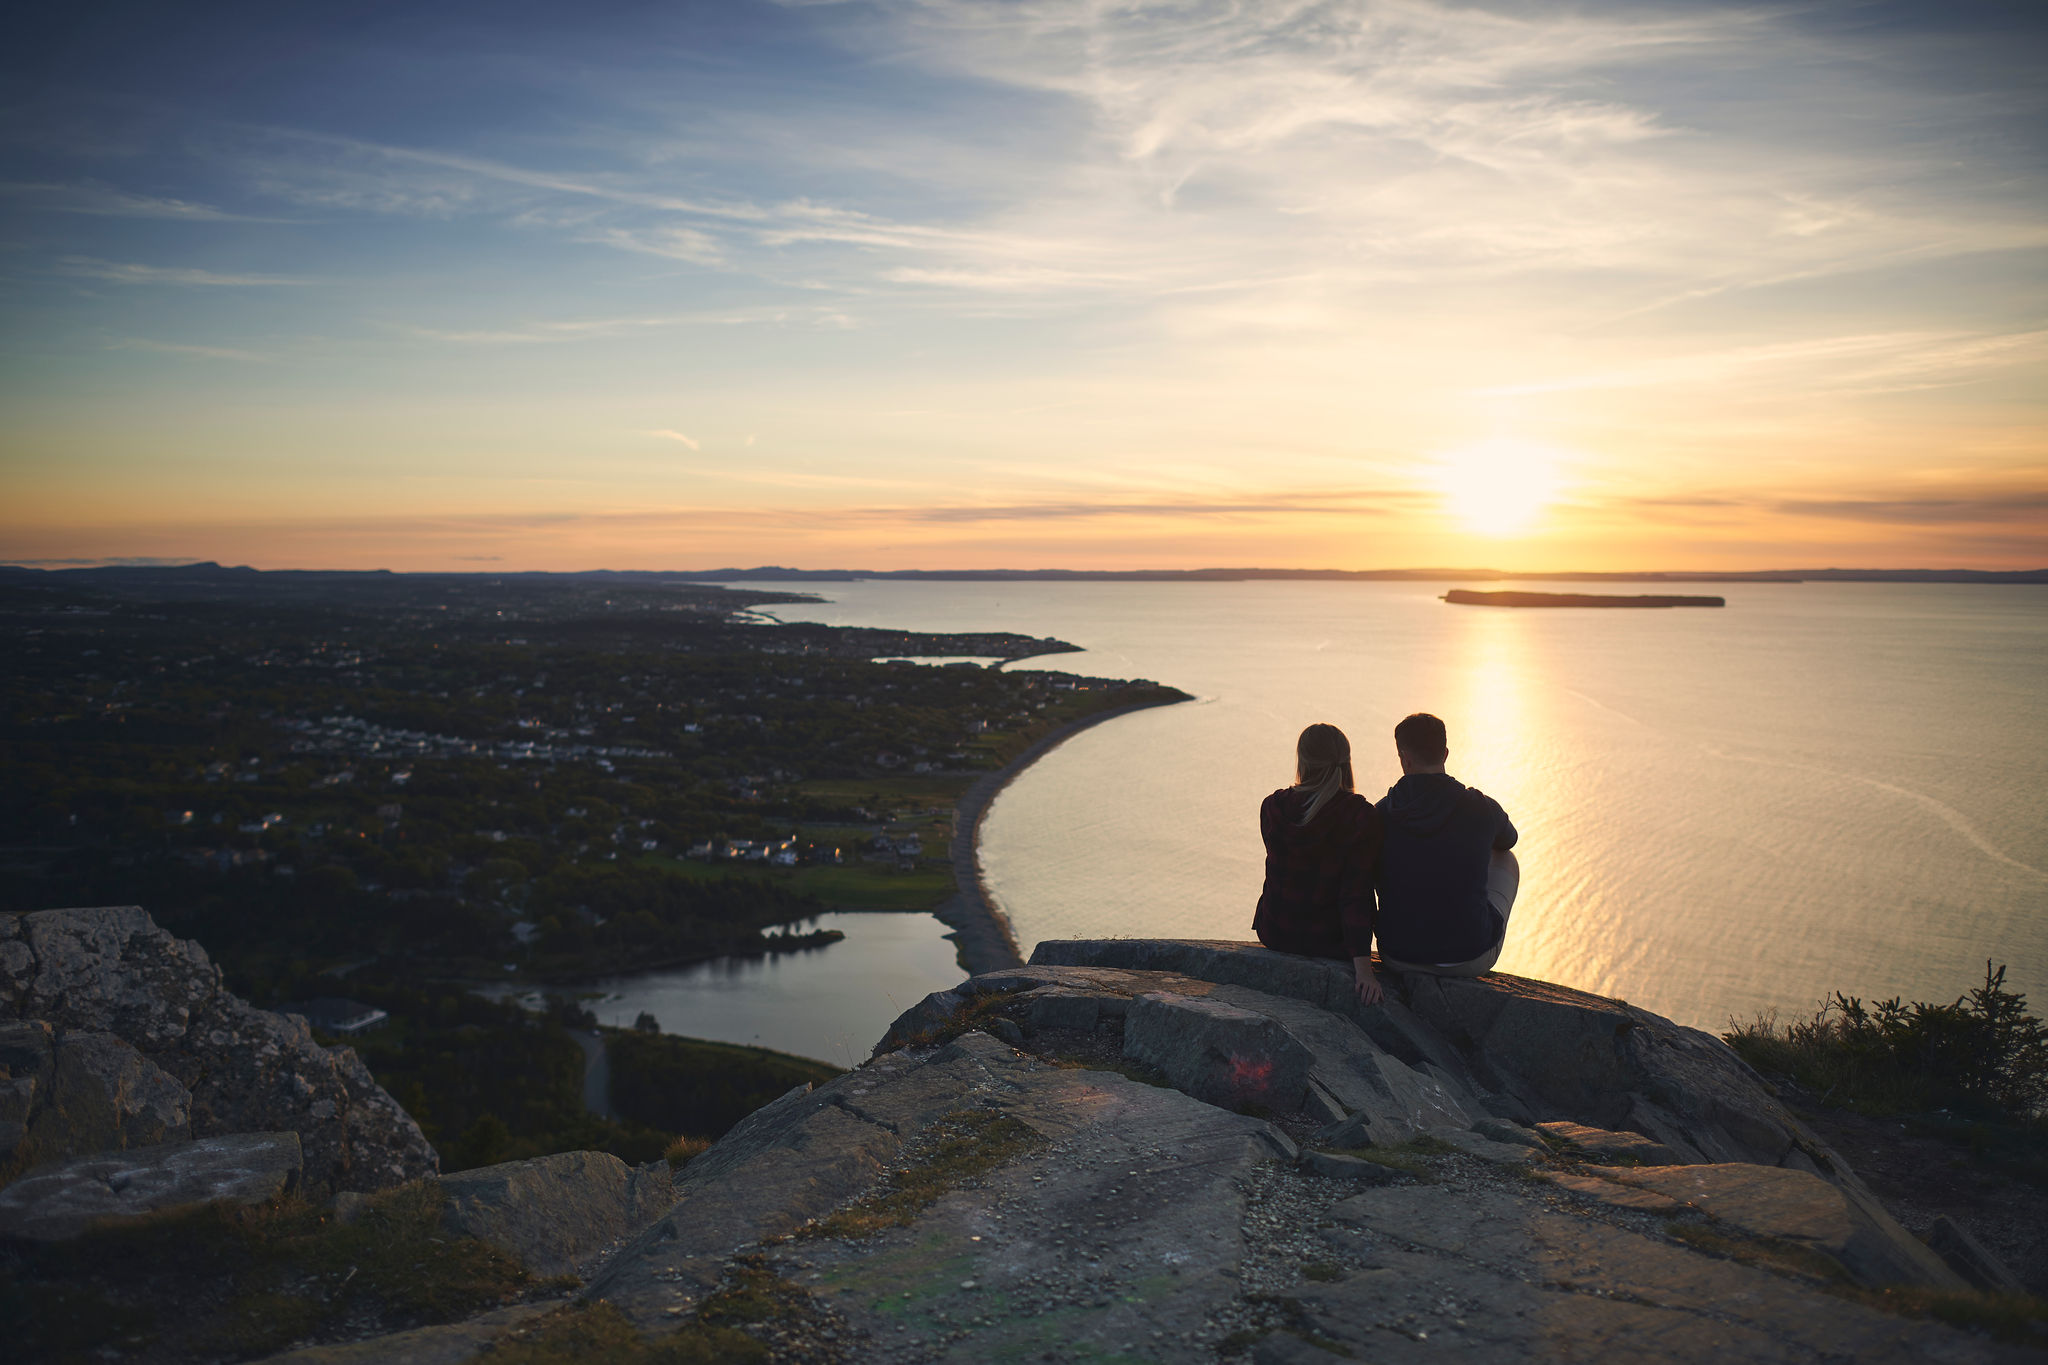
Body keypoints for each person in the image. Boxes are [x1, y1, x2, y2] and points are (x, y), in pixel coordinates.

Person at [1373, 712, 1519, 977]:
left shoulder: (1380, 814)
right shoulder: (1480, 807)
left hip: (1397, 954)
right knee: (1507, 857)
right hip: (1468, 957)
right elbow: (1509, 839)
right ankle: (1471, 920)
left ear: (1404, 758)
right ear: (1445, 754)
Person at [1253, 723, 1384, 1005]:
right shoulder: (1360, 816)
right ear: (1346, 762)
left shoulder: (1272, 807)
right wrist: (1364, 970)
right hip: (1329, 942)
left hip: (1275, 931)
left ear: (1301, 760)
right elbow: (1356, 895)